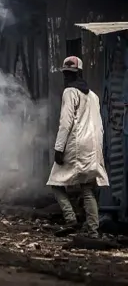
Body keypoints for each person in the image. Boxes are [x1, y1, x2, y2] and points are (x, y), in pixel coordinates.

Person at [47, 56, 108, 238]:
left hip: (76, 143)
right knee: (87, 188)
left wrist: (59, 148)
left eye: (69, 74)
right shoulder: (94, 96)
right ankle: (93, 230)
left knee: (55, 183)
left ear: (77, 74)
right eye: (66, 73)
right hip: (92, 146)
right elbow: (99, 125)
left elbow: (65, 123)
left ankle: (70, 219)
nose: (67, 77)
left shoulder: (69, 92)